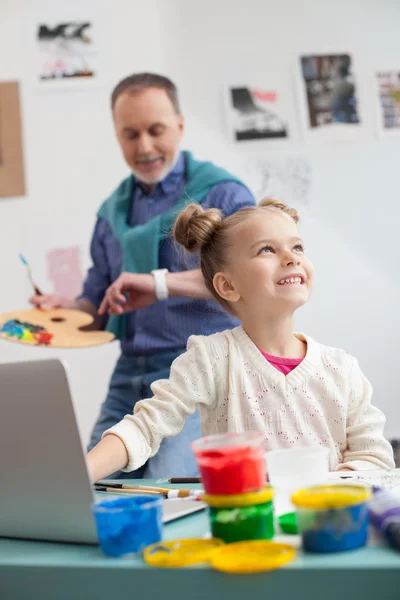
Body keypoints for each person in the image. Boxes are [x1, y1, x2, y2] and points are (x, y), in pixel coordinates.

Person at [30, 73, 255, 478]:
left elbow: (248, 280)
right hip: (129, 376)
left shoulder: (222, 194)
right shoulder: (110, 213)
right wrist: (62, 311)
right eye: (130, 134)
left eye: (156, 130)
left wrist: (159, 284)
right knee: (86, 490)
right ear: (117, 137)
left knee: (166, 495)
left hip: (199, 369)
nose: (144, 146)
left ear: (180, 126)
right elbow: (96, 304)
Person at [87, 198, 395, 482]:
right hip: (245, 525)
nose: (291, 258)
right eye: (267, 250)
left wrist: (325, 488)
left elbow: (375, 458)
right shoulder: (211, 358)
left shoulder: (341, 368)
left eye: (297, 247)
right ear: (228, 286)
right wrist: (81, 473)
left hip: (327, 524)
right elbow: (145, 426)